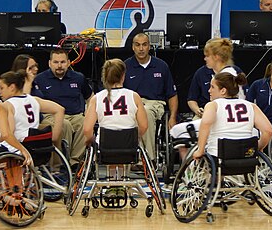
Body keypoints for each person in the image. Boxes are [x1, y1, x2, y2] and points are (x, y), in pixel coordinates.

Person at [83, 59, 148, 196]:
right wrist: (135, 138)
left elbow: (87, 129)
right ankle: (122, 183)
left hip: (105, 148)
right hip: (129, 146)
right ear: (123, 75)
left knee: (108, 143)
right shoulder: (134, 96)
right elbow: (144, 125)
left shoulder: (97, 98)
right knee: (122, 143)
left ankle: (113, 184)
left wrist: (90, 141)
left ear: (105, 77)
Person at [34, 49, 93, 171]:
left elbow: (91, 97)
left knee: (85, 123)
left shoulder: (78, 78)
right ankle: (61, 164)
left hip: (75, 115)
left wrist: (89, 113)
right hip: (51, 116)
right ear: (49, 63)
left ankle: (75, 163)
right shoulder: (40, 79)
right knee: (64, 124)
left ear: (69, 63)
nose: (59, 66)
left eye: (62, 62)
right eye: (56, 62)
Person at [123, 32, 178, 164]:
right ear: (132, 47)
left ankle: (147, 159)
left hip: (154, 104)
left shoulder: (161, 66)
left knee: (145, 112)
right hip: (132, 104)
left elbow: (172, 94)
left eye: (144, 45)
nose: (141, 48)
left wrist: (172, 117)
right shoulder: (125, 66)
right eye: (137, 45)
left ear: (149, 47)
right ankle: (124, 158)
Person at [193, 72, 272, 160]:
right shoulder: (251, 106)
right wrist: (258, 147)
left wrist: (200, 150)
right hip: (246, 156)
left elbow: (206, 124)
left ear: (223, 90)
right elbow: (268, 131)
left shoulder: (213, 105)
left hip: (219, 156)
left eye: (212, 87)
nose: (209, 90)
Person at [0, 70, 65, 150]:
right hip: (35, 144)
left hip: (17, 146)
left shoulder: (7, 104)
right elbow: (60, 109)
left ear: (12, 87)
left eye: (2, 88)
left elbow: (10, 131)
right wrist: (54, 138)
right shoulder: (34, 99)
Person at [187, 38, 248, 120]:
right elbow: (191, 98)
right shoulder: (204, 72)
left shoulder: (228, 75)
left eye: (207, 56)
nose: (205, 59)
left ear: (216, 57)